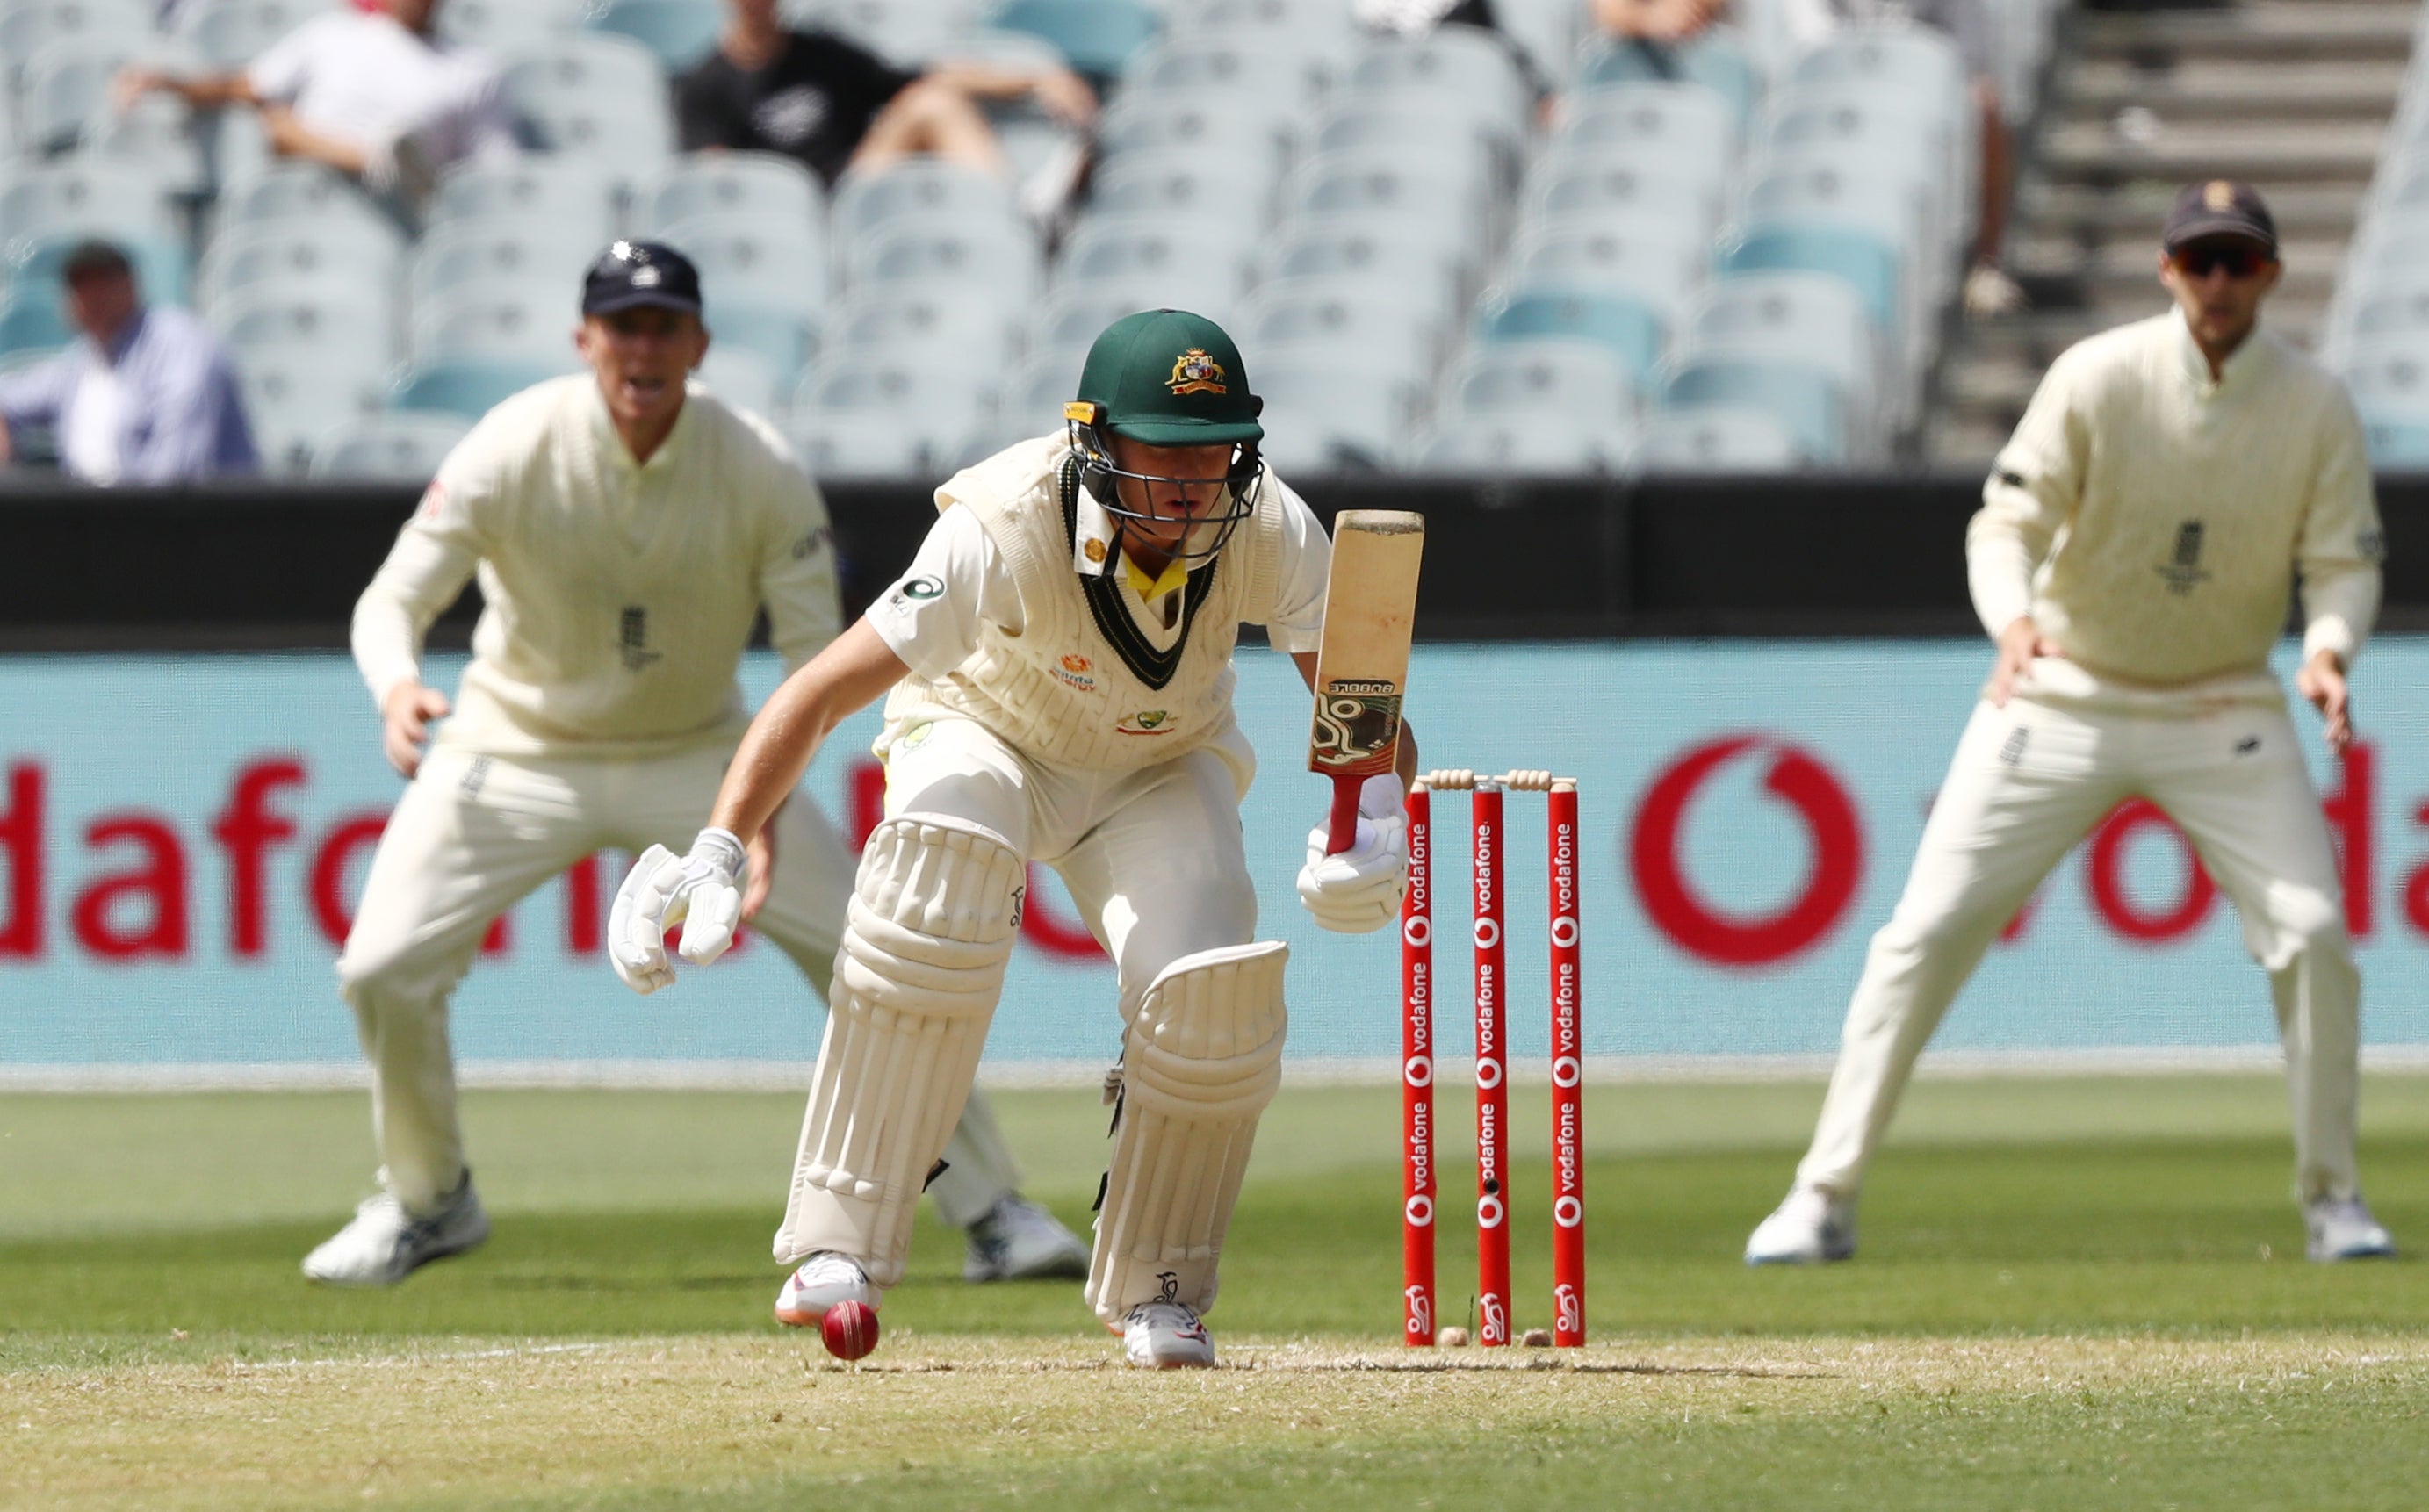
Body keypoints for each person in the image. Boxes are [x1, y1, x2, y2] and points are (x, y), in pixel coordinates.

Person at [607, 309, 1415, 1367]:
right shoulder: (999, 525)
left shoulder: (1269, 528)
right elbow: (818, 692)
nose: (1187, 484)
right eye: (1160, 453)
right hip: (981, 731)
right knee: (936, 880)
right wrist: (719, 845)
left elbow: (1360, 711)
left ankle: (1160, 1289)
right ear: (1094, 442)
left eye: (1210, 452)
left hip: (1158, 765)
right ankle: (835, 1247)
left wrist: (1385, 818)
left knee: (1213, 990)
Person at [303, 240, 1089, 1289]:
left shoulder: (757, 462)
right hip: (513, 747)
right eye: (622, 326)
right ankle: (427, 1199)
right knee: (381, 967)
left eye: (663, 325)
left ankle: (988, 1206)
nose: (642, 347)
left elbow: (816, 663)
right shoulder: (510, 444)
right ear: (584, 340)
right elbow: (390, 601)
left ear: (699, 343)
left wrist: (759, 813)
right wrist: (398, 684)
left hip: (704, 754)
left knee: (877, 957)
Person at [1744, 182, 2396, 1267]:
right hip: (2061, 694)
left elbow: (2339, 560)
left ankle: (2333, 1198)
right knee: (1925, 931)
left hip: (2225, 705)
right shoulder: (2097, 376)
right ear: (2167, 270)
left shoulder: (2314, 403)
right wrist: (2013, 623)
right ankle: (1822, 1194)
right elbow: (2009, 520)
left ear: (2272, 275)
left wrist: (2328, 650)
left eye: (2240, 262)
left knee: (2315, 934)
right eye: (2202, 261)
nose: (2220, 282)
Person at [674, 0, 1098, 200]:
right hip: (795, 209)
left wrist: (1036, 78)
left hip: (857, 181)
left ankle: (1011, 208)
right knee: (930, 103)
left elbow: (926, 77)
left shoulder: (822, 55)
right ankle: (1017, 211)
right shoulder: (704, 84)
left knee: (931, 102)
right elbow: (719, 185)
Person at [116, 0, 515, 204]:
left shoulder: (473, 70)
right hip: (308, 188)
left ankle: (385, 161)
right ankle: (377, 159)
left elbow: (492, 173)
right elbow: (247, 86)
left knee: (282, 124)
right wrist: (170, 83)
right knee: (278, 124)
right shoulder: (333, 35)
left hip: (408, 209)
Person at [1771, 0, 2022, 317]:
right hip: (1840, 95)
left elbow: (1967, 54)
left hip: (1927, 95)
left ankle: (1985, 262)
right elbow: (1815, 46)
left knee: (1984, 102)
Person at [0, 240, 256, 484]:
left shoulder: (180, 346)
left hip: (195, 523)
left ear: (130, 286)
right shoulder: (83, 361)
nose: (90, 297)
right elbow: (11, 397)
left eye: (102, 283)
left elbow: (176, 474)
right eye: (79, 285)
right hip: (94, 520)